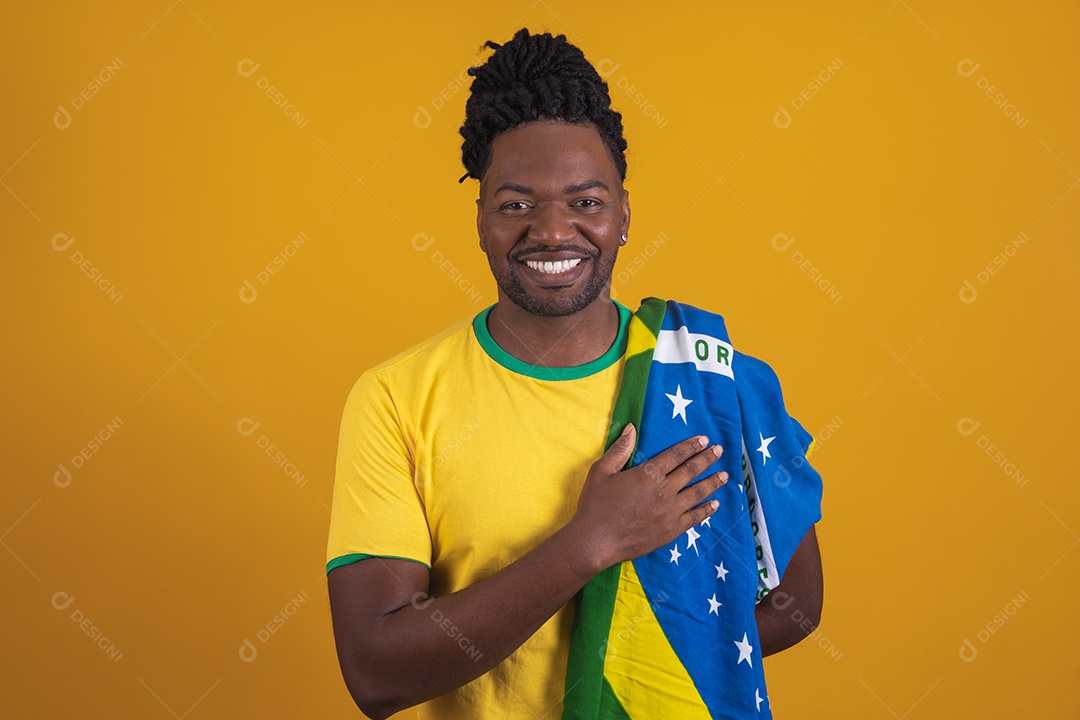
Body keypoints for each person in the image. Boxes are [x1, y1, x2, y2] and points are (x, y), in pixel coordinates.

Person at [326, 28, 823, 720]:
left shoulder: (709, 377)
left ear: (624, 214)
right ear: (480, 221)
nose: (553, 231)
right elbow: (376, 673)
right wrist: (591, 544)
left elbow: (794, 606)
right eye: (517, 204)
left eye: (586, 202)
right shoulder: (396, 399)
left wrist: (644, 661)